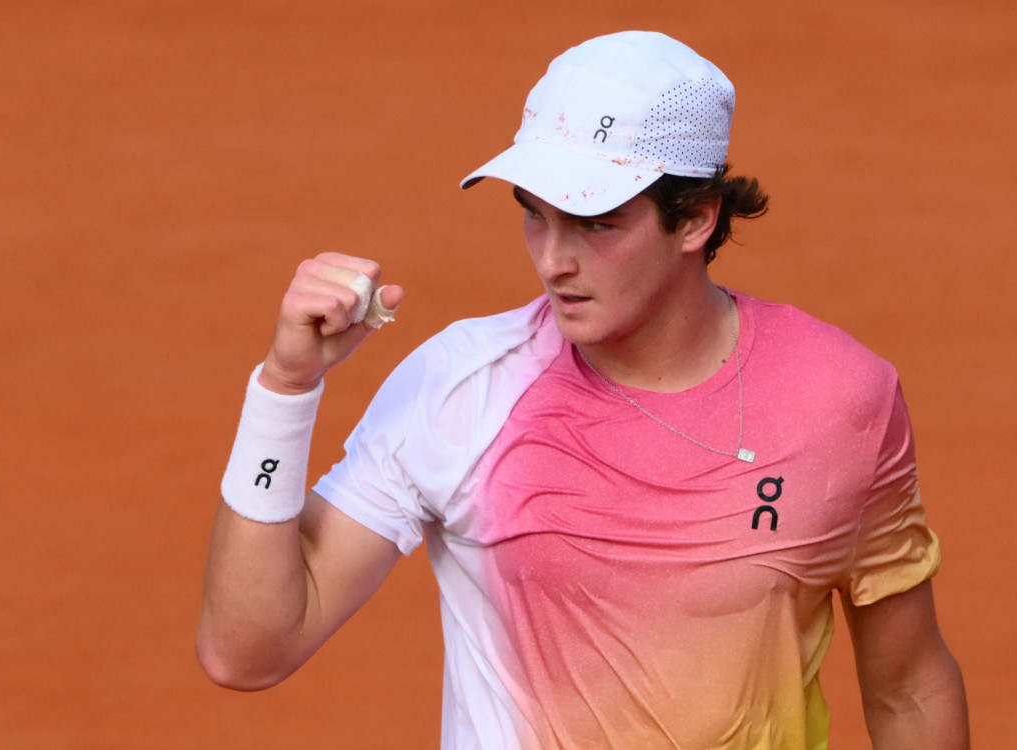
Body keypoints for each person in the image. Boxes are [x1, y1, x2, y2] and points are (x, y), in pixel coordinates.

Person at [196, 31, 969, 749]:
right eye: (535, 216)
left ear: (696, 217)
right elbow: (247, 650)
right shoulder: (464, 388)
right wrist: (286, 388)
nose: (553, 260)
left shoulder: (840, 399)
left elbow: (907, 686)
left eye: (595, 224)